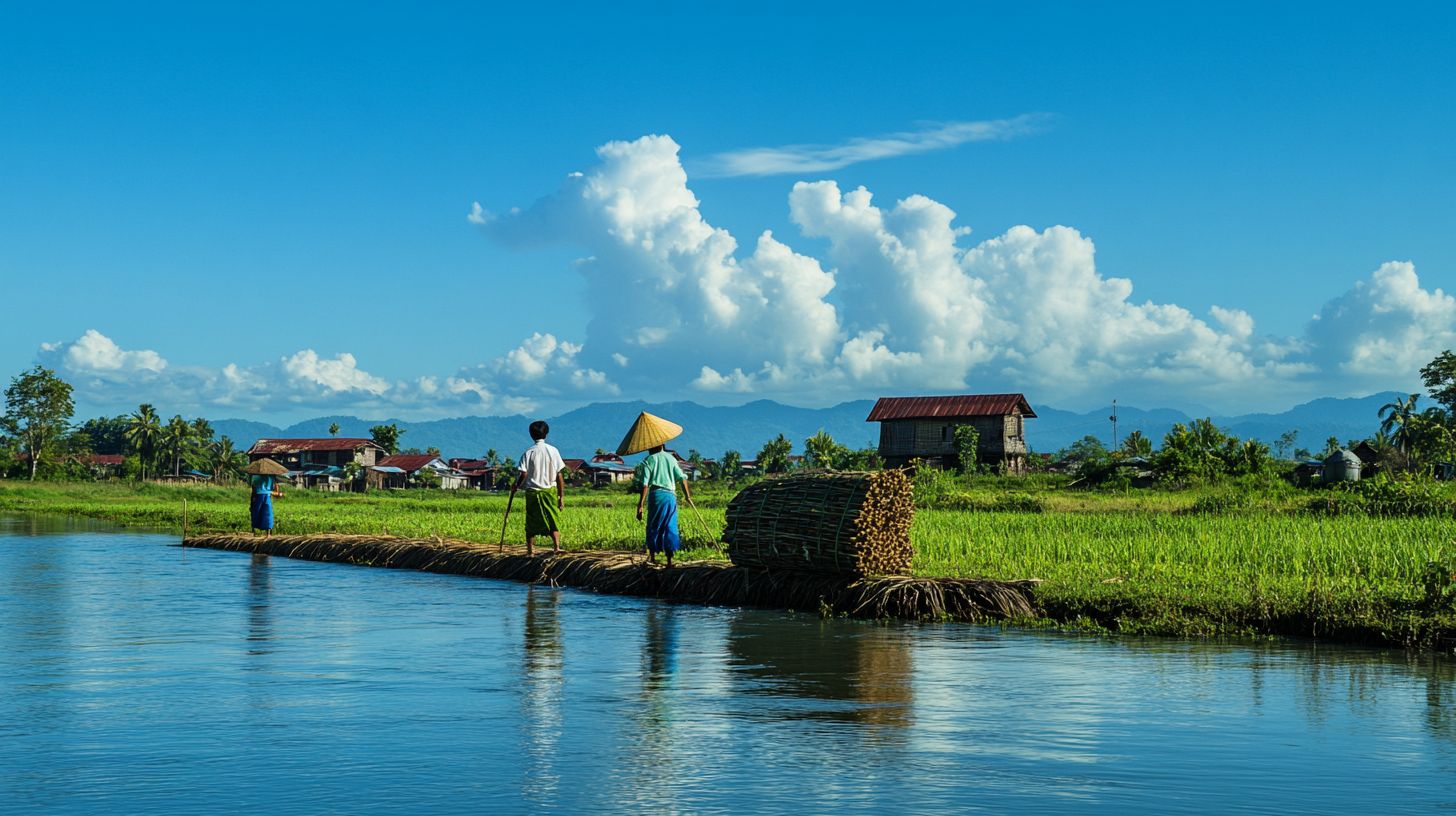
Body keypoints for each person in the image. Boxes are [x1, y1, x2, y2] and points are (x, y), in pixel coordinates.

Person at [510, 420, 565, 556]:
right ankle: (556, 547)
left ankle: (530, 551)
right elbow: (559, 475)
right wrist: (560, 496)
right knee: (553, 517)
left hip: (533, 492)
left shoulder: (528, 453)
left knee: (531, 522)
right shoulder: (553, 451)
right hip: (549, 492)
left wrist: (517, 486)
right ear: (546, 433)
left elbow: (523, 473)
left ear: (531, 435)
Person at [635, 444, 692, 567]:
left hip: (656, 496)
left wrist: (640, 505)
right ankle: (669, 561)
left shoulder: (649, 460)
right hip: (670, 497)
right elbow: (682, 478)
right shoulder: (671, 459)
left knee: (653, 524)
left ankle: (653, 557)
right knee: (669, 525)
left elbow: (645, 484)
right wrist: (687, 496)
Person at [249, 471, 282, 535]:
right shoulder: (271, 478)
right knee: (267, 513)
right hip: (267, 496)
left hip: (258, 496)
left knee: (256, 513)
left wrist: (251, 503)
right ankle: (268, 533)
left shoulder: (255, 477)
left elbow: (253, 491)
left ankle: (255, 532)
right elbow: (274, 490)